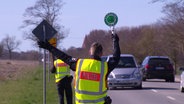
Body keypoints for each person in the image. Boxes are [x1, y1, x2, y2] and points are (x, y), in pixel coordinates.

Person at [38, 33, 120, 104]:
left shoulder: (79, 64)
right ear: (101, 53)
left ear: (89, 52)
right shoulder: (105, 67)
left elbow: (63, 56)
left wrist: (49, 47)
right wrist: (115, 41)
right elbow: (116, 57)